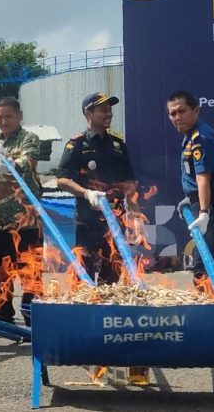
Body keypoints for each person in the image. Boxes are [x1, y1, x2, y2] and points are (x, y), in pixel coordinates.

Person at [57, 92, 139, 286]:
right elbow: (61, 180)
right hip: (88, 220)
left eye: (110, 110)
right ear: (88, 113)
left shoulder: (119, 145)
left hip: (115, 221)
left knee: (112, 273)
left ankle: (107, 312)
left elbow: (129, 185)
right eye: (103, 110)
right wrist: (86, 193)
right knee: (84, 273)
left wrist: (136, 217)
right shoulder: (76, 144)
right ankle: (84, 312)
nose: (108, 114)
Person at [0, 97, 42, 325]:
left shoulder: (28, 138)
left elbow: (29, 158)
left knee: (29, 269)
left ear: (19, 116)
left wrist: (13, 163)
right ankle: (2, 315)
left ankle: (34, 318)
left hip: (25, 218)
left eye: (8, 116)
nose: (3, 121)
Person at [169, 91, 214, 287]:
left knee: (208, 270)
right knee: (203, 267)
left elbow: (203, 178)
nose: (177, 117)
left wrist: (204, 212)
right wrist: (190, 199)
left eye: (182, 111)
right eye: (172, 114)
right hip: (204, 203)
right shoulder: (190, 136)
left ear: (196, 110)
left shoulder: (201, 138)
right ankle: (210, 311)